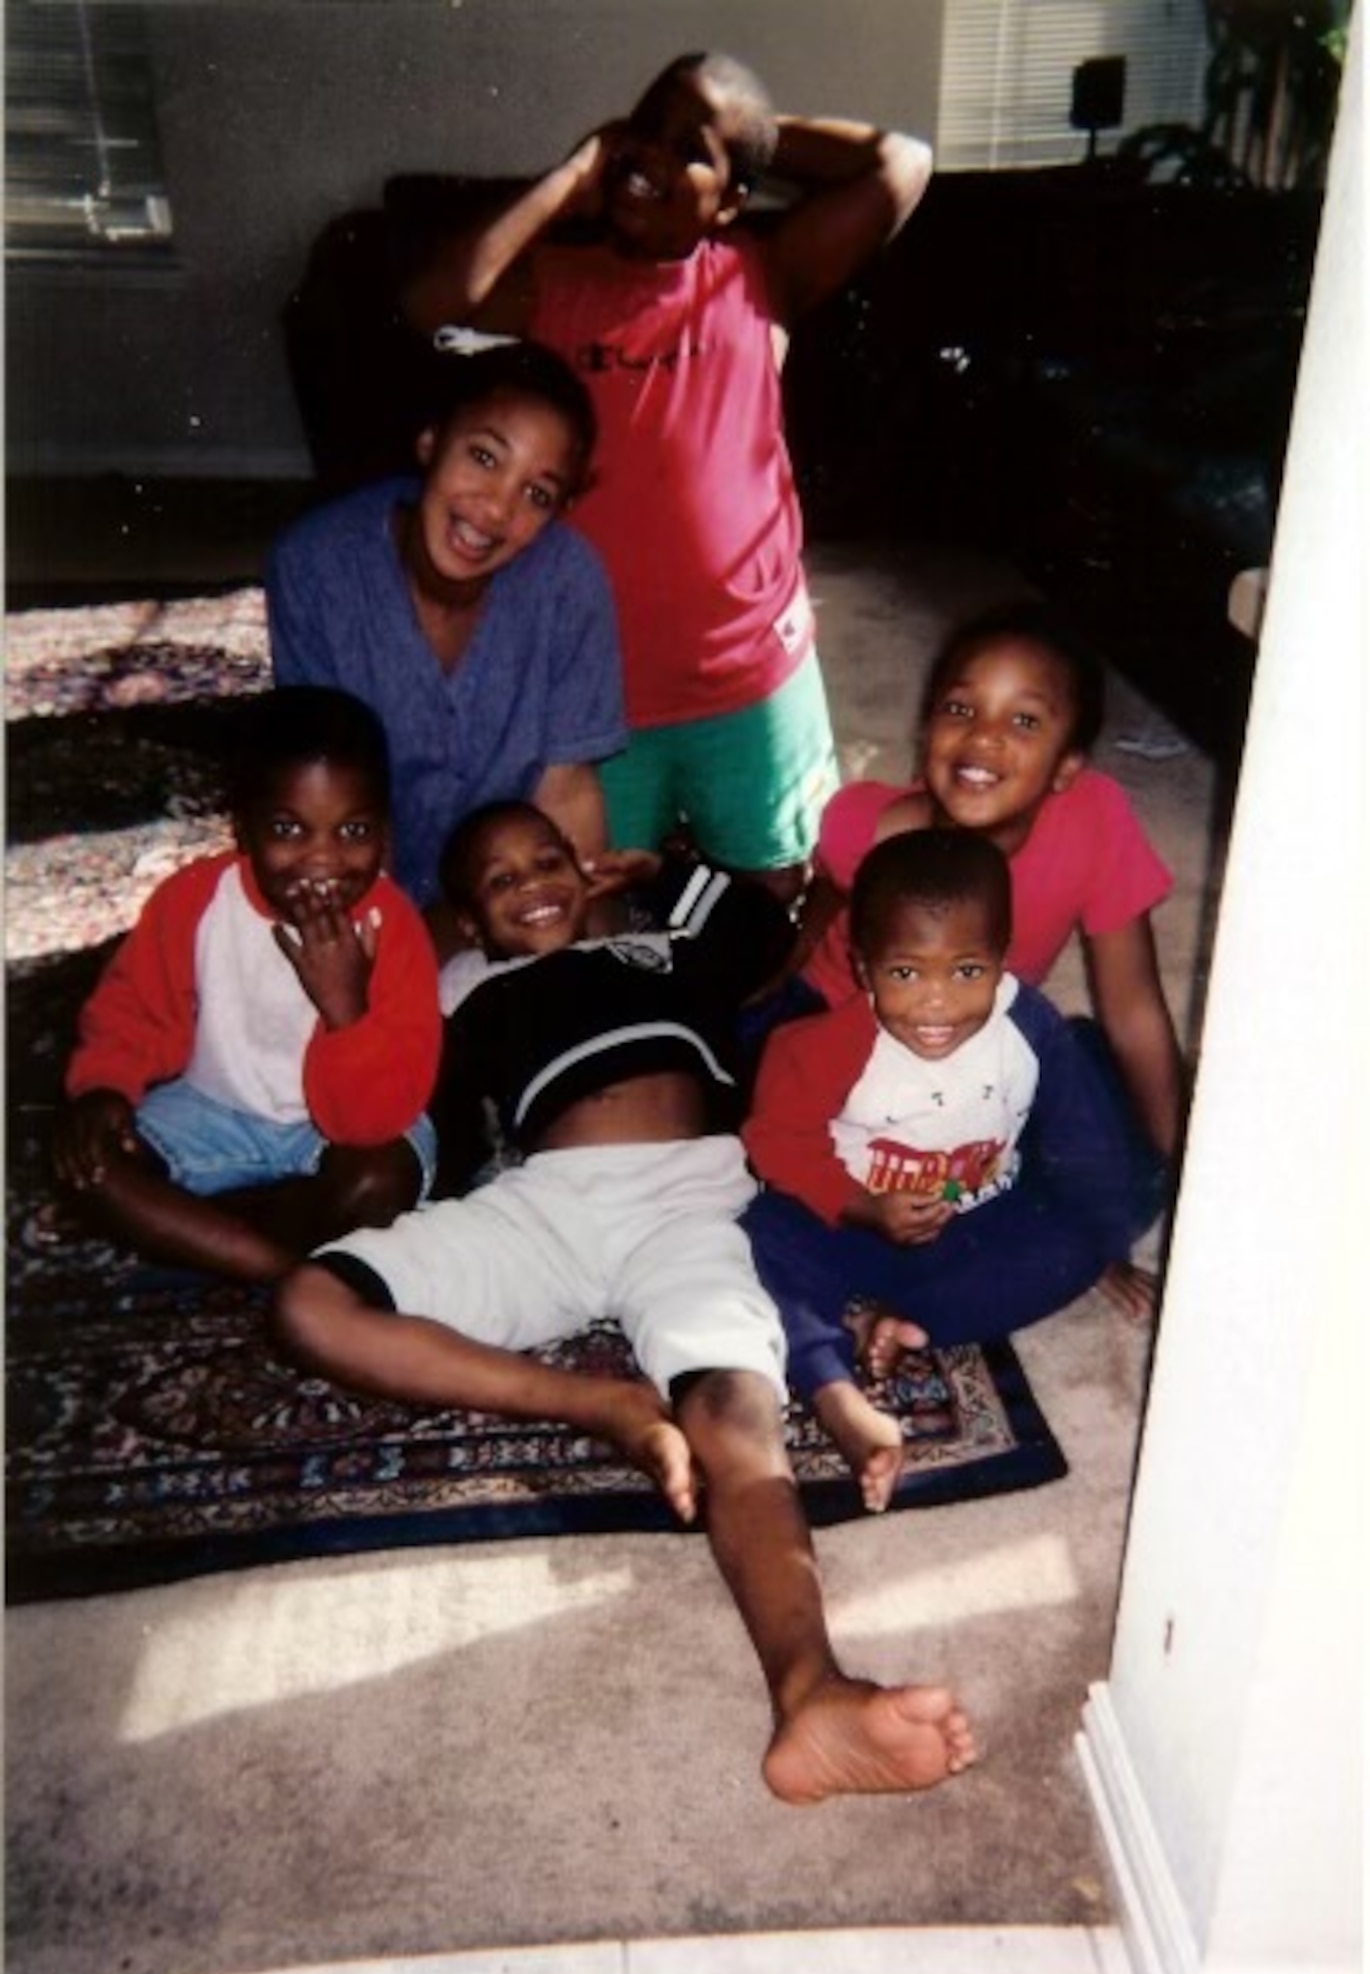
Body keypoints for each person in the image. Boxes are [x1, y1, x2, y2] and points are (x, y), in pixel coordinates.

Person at [273, 801, 976, 1803]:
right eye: (501, 880)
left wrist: (667, 863)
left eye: (548, 862)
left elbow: (765, 919)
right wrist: (358, 998)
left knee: (737, 1413)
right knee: (308, 1302)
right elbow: (393, 1092)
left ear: (588, 869)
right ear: (466, 919)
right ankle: (600, 1405)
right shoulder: (462, 987)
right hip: (543, 1206)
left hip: (693, 1196)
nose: (533, 884)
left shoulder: (662, 949)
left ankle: (811, 1689)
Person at [402, 51, 933, 902]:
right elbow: (433, 299)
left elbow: (903, 162)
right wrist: (578, 169)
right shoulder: (557, 285)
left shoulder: (761, 274)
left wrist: (751, 134)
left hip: (752, 678)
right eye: (643, 126)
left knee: (776, 892)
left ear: (729, 200)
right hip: (599, 693)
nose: (650, 152)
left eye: (688, 147)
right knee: (598, 901)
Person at [786, 600, 1185, 1317]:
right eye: (960, 709)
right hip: (852, 1058)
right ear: (925, 729)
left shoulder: (1096, 819)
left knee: (1109, 1140)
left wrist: (1184, 1177)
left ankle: (1039, 1238)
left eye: (1024, 721)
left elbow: (1133, 1011)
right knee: (768, 1182)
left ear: (1068, 766)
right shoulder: (865, 825)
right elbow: (806, 953)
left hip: (979, 1049)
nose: (983, 740)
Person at [743, 828, 1140, 1513]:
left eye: (966, 971)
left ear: (1002, 959)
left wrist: (1108, 1247)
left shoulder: (1031, 1028)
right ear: (864, 969)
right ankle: (830, 1379)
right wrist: (861, 1205)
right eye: (906, 972)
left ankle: (904, 1322)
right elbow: (775, 1142)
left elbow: (1084, 1139)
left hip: (983, 1222)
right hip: (851, 1222)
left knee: (1072, 1246)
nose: (937, 1003)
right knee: (750, 1238)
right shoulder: (823, 1046)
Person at [54, 687, 442, 1284]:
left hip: (340, 1133)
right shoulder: (196, 900)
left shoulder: (393, 929)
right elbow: (133, 1008)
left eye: (353, 830)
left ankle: (216, 1233)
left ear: (385, 833)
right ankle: (288, 1269)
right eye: (289, 828)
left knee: (379, 1185)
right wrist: (105, 1085)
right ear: (243, 827)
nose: (322, 861)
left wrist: (346, 1011)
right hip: (215, 1110)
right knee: (92, 1165)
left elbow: (372, 1120)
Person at [267, 339, 626, 955]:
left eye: (536, 494)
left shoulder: (569, 581)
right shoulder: (314, 566)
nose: (494, 509)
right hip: (369, 883)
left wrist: (584, 957)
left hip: (511, 894)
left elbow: (566, 789)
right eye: (484, 457)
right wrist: (392, 960)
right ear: (431, 440)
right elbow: (325, 797)